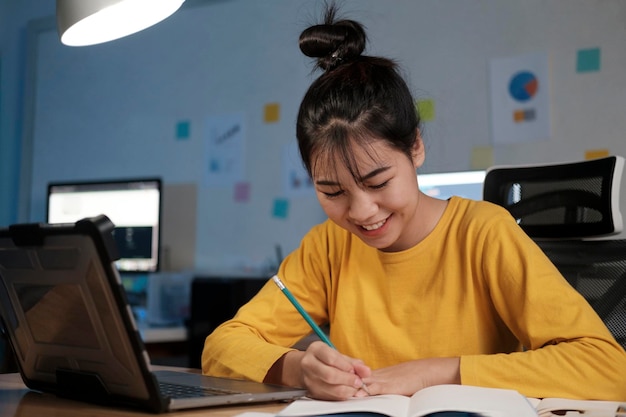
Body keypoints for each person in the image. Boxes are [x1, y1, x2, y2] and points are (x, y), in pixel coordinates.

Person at [202, 4, 626, 401]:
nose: (362, 212)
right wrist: (297, 368)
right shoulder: (328, 247)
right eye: (332, 192)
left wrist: (434, 372)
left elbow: (609, 367)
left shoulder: (483, 233)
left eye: (378, 181)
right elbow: (220, 347)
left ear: (416, 148)